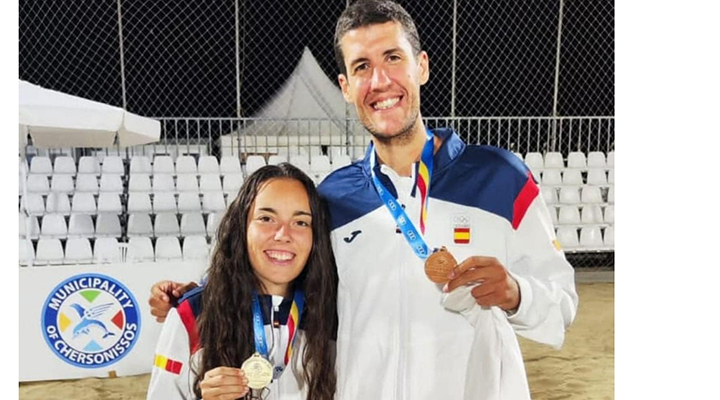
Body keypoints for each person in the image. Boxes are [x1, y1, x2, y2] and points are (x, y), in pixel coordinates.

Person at [151, 1, 578, 398]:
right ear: (345, 86)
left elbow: (562, 303)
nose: (380, 81)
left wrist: (516, 293)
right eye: (362, 67)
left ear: (422, 67)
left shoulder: (501, 178)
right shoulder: (333, 198)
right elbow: (286, 275)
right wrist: (203, 294)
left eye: (393, 58)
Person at [146, 164, 337, 400]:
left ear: (315, 235)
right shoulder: (192, 315)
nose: (283, 234)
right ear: (242, 228)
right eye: (266, 218)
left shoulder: (332, 316)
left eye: (301, 222)